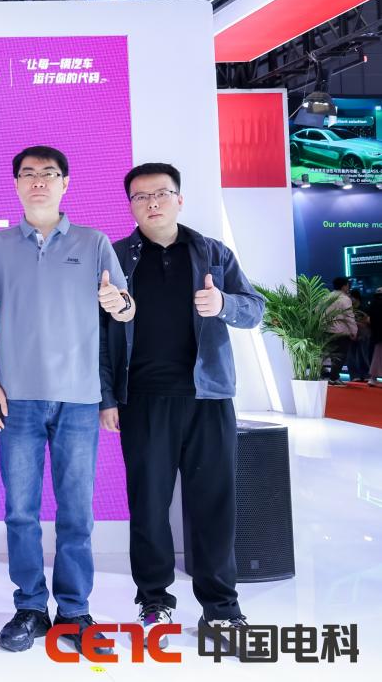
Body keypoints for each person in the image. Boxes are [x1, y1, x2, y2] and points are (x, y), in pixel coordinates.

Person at [0, 145, 135, 655]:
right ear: (16, 184)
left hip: (79, 399)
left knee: (76, 514)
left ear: (66, 183)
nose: (38, 181)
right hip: (16, 398)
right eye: (28, 174)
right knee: (20, 512)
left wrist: (118, 302)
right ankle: (29, 607)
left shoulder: (94, 242)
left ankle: (75, 611)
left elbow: (124, 310)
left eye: (48, 173)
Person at [100, 163, 264, 650]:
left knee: (213, 503)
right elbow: (99, 335)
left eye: (161, 193)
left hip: (208, 397)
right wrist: (107, 398)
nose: (152, 203)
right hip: (143, 400)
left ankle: (222, 609)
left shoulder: (213, 252)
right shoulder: (115, 257)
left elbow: (254, 309)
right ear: (130, 205)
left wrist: (224, 306)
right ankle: (154, 600)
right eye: (140, 196)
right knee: (148, 505)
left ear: (179, 199)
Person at [323, 277, 357, 385]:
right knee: (340, 355)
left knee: (331, 355)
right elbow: (349, 317)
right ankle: (334, 378)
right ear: (344, 286)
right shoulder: (345, 299)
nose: (348, 287)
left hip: (327, 331)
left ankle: (332, 377)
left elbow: (318, 312)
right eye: (347, 285)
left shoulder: (326, 297)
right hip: (341, 331)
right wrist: (354, 331)